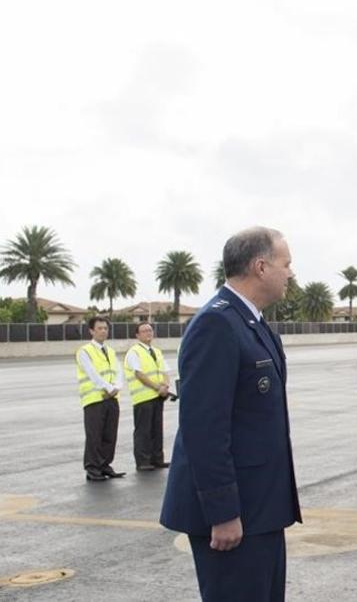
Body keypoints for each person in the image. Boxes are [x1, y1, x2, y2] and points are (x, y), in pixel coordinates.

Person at [160, 227, 301, 602]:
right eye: (286, 264)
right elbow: (204, 427)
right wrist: (222, 513)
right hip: (234, 515)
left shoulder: (251, 322)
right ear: (260, 267)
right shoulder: (216, 324)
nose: (290, 273)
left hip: (262, 508)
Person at [75, 316, 125, 482]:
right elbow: (92, 374)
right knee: (94, 435)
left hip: (111, 398)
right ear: (91, 331)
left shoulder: (110, 351)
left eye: (105, 328)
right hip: (94, 399)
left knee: (109, 434)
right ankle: (92, 468)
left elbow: (118, 371)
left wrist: (117, 386)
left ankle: (105, 465)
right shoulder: (85, 351)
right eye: (100, 328)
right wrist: (110, 388)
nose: (103, 331)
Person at [124, 321, 173, 471]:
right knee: (143, 431)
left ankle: (157, 459)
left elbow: (164, 371)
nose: (148, 333)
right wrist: (157, 387)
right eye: (144, 331)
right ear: (137, 335)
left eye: (150, 330)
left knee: (157, 430)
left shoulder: (156, 351)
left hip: (158, 396)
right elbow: (139, 374)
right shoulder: (134, 352)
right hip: (143, 397)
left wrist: (165, 386)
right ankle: (143, 461)